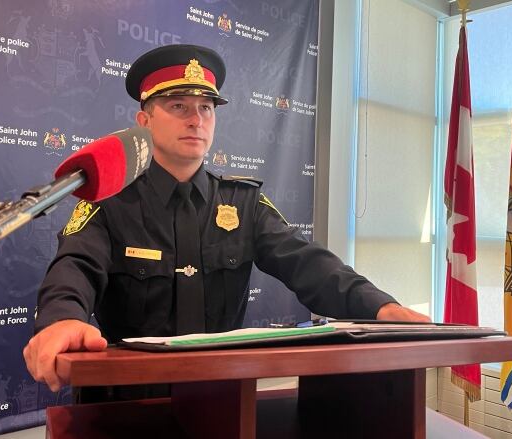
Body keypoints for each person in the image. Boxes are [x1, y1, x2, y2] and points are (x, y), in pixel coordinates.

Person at [23, 44, 430, 393]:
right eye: (178, 105)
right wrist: (62, 320)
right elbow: (73, 268)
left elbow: (311, 265)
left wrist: (381, 308)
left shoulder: (243, 203)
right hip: (129, 401)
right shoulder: (109, 199)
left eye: (206, 108)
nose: (196, 119)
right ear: (144, 120)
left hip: (224, 400)